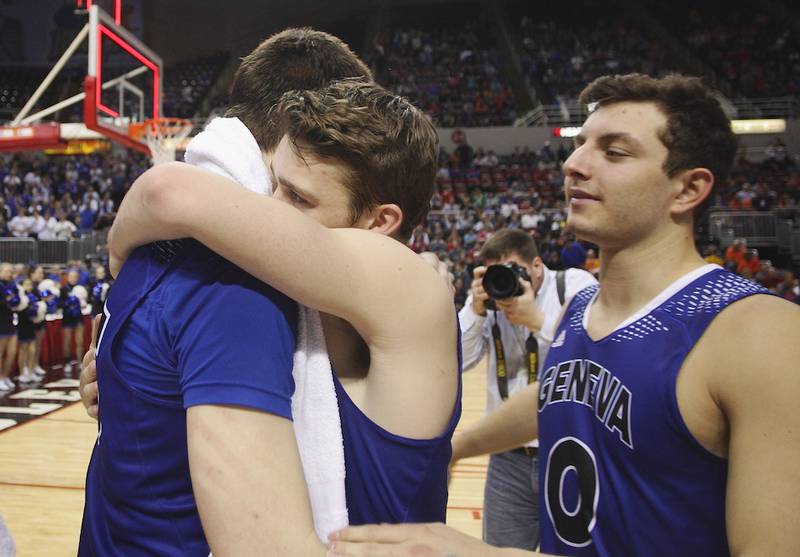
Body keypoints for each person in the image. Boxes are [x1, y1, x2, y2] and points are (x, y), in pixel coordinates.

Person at [327, 73, 800, 556]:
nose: (574, 164)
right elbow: (560, 392)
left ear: (688, 189)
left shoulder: (756, 329)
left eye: (614, 152)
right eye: (579, 146)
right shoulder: (581, 308)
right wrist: (457, 447)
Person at [79, 34, 458, 557]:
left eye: (297, 197)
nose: (267, 205)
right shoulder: (302, 292)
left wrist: (117, 258)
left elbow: (169, 190)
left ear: (381, 222)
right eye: (272, 184)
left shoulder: (403, 278)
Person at [459, 229, 595, 550]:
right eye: (495, 273)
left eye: (511, 270)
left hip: (569, 453)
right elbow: (458, 361)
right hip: (508, 459)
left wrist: (537, 320)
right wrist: (475, 311)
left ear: (536, 266)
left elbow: (593, 354)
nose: (505, 280)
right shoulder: (489, 300)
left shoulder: (575, 287)